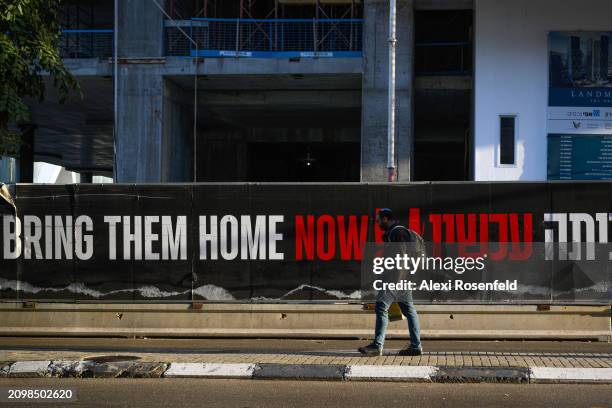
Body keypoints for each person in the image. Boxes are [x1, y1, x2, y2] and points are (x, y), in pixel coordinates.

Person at [358, 208, 423, 357]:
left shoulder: (397, 233)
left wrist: (394, 281)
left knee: (381, 308)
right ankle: (416, 346)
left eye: (379, 220)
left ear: (386, 219)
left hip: (396, 279)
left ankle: (377, 346)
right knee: (409, 311)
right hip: (405, 279)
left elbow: (400, 258)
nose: (378, 223)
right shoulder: (404, 232)